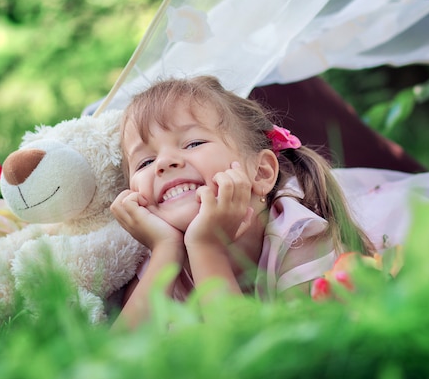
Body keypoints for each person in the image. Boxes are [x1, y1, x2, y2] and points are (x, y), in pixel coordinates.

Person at [110, 75, 376, 328]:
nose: (164, 163)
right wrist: (166, 251)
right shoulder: (158, 254)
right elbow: (112, 361)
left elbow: (268, 361)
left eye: (193, 143)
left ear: (261, 172)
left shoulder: (299, 237)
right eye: (145, 162)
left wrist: (206, 248)